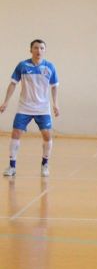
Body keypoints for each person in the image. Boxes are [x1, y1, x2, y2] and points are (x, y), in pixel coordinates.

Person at [1, 39, 60, 178]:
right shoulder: (22, 66)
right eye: (36, 48)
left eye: (41, 48)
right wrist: (5, 102)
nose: (39, 50)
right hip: (24, 107)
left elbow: (54, 86)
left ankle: (45, 164)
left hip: (42, 108)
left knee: (47, 135)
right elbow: (13, 84)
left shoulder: (50, 67)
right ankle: (12, 166)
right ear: (31, 50)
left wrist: (55, 104)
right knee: (16, 133)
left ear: (44, 50)